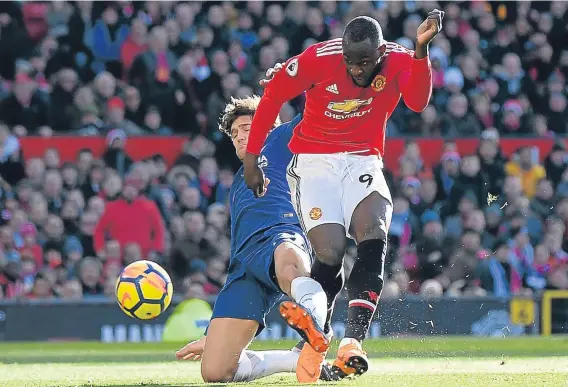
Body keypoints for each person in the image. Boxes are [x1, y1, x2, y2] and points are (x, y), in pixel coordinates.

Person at [244, 12, 444, 381]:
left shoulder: (400, 58)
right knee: (330, 253)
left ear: (381, 52)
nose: (355, 70)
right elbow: (272, 95)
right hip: (314, 161)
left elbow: (417, 102)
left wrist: (421, 50)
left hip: (363, 158)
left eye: (365, 62)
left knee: (374, 235)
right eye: (350, 62)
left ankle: (353, 343)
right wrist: (251, 157)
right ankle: (317, 336)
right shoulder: (319, 57)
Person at [175, 96, 332, 383]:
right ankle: (293, 358)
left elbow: (315, 108)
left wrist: (297, 79)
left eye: (246, 127)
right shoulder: (237, 180)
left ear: (268, 127)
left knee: (289, 268)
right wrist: (215, 337)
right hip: (243, 267)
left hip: (281, 234)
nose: (239, 137)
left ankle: (316, 327)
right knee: (215, 371)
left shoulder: (281, 141)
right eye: (234, 133)